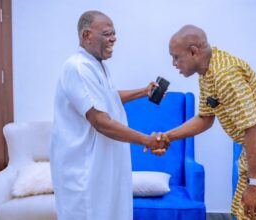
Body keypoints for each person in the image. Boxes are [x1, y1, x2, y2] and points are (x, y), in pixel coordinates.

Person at [154, 25, 256, 219]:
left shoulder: (225, 75)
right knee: (241, 209)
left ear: (194, 51)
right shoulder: (207, 72)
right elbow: (205, 119)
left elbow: (255, 129)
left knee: (254, 212)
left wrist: (254, 185)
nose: (173, 63)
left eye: (176, 57)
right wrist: (168, 136)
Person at [50, 10, 169, 220]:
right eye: (107, 34)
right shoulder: (78, 67)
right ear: (86, 35)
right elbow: (100, 121)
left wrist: (143, 91)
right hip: (84, 171)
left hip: (104, 167)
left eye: (114, 33)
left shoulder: (97, 65)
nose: (114, 38)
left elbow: (107, 97)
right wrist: (146, 140)